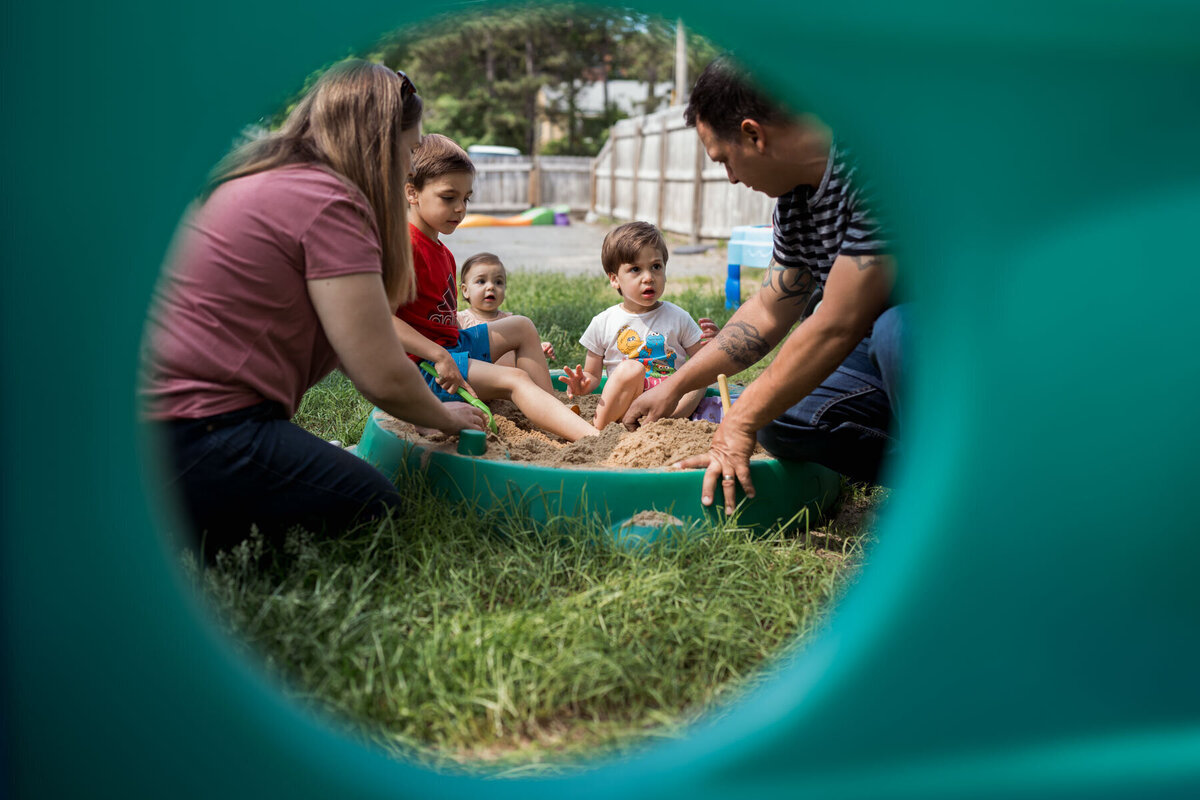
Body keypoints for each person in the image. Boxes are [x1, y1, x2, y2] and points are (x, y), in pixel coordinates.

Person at [141, 61, 486, 554]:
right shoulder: (332, 202)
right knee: (376, 506)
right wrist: (445, 417)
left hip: (152, 422)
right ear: (379, 141)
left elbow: (353, 338)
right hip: (202, 431)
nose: (407, 168)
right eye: (408, 150)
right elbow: (380, 373)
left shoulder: (270, 176)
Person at [623, 57, 904, 512]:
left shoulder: (879, 165)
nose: (730, 178)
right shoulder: (796, 197)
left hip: (967, 343)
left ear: (754, 134)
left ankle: (972, 480)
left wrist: (739, 421)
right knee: (784, 420)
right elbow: (772, 308)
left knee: (898, 333)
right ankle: (935, 466)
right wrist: (674, 385)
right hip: (880, 349)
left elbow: (838, 323)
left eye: (725, 160)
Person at [391, 135, 597, 442]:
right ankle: (593, 440)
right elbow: (381, 319)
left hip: (453, 348)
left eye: (466, 198)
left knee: (521, 327)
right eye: (449, 197)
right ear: (412, 192)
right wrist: (439, 355)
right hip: (426, 368)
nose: (460, 208)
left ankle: (552, 410)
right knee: (515, 378)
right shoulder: (405, 247)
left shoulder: (442, 251)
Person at [563, 222, 720, 429]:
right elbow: (593, 375)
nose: (648, 278)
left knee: (699, 378)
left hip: (667, 404)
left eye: (656, 266)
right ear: (614, 279)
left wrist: (716, 344)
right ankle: (598, 428)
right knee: (630, 369)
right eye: (635, 269)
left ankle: (665, 425)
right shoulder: (603, 322)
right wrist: (584, 384)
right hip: (624, 408)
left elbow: (704, 360)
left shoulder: (678, 317)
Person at [455, 251, 556, 366]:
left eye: (498, 282)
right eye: (481, 281)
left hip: (510, 382)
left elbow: (522, 353)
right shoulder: (460, 321)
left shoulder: (509, 322)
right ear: (465, 290)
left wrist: (538, 350)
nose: (491, 287)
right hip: (477, 381)